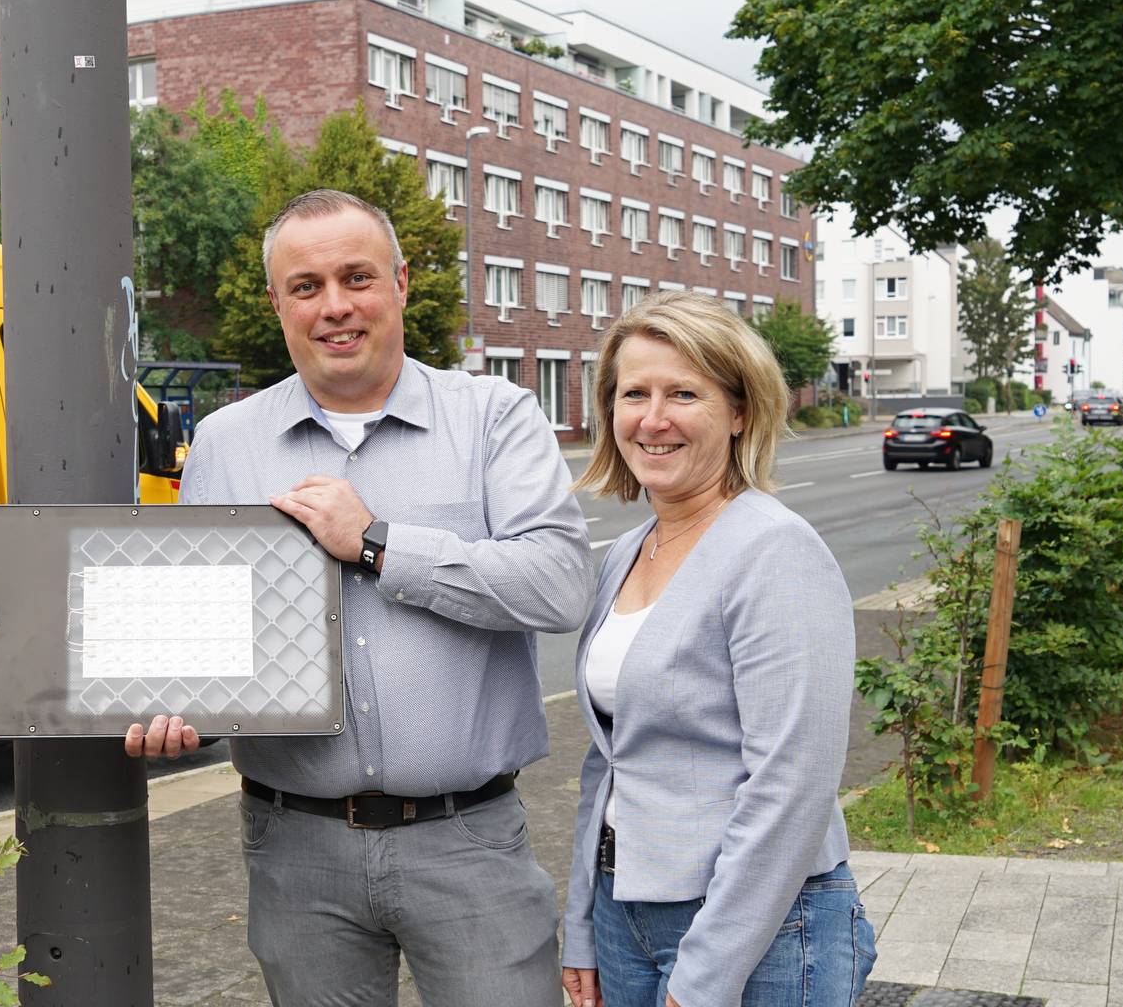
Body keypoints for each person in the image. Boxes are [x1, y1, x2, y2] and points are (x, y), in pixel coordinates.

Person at [125, 189, 594, 1007]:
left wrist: (378, 543)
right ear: (277, 304)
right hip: (295, 849)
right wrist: (176, 709)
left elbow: (559, 585)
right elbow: (203, 634)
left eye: (357, 277)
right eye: (306, 287)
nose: (334, 306)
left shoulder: (494, 417)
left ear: (401, 282)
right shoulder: (227, 444)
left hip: (470, 843)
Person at [558, 292, 871, 1007]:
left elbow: (791, 785)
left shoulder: (775, 550)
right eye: (634, 394)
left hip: (760, 927)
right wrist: (582, 923)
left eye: (683, 393)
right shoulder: (628, 551)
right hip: (624, 912)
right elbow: (607, 759)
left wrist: (705, 976)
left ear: (739, 412)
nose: (653, 418)